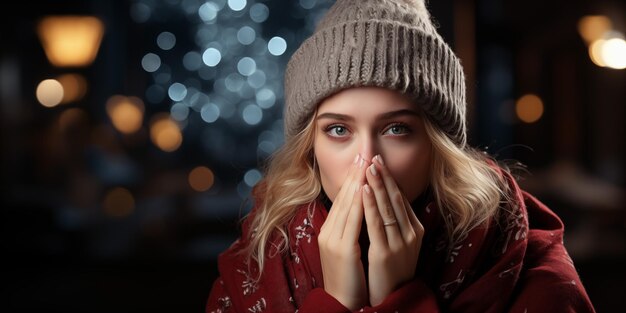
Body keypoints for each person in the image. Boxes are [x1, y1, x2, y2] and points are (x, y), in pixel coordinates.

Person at [205, 0, 596, 312]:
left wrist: (400, 298)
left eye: (397, 129)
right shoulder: (256, 264)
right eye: (338, 130)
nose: (368, 160)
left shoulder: (539, 280)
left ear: (436, 147)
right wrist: (336, 303)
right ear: (311, 147)